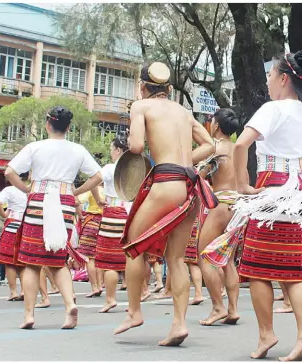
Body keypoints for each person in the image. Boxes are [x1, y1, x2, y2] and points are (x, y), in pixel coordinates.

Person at [114, 62, 217, 347]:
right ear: (168, 89)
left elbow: (135, 147)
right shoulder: (183, 112)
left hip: (166, 181)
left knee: (132, 247)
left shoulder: (141, 106)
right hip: (192, 186)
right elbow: (210, 145)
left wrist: (166, 160)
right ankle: (179, 324)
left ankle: (134, 312)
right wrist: (185, 162)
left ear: (143, 85)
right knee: (177, 258)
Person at [227, 48, 302, 361]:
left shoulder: (273, 108)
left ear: (283, 78)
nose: (267, 81)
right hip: (297, 192)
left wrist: (241, 183)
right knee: (292, 267)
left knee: (256, 267)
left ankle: (267, 333)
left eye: (270, 75)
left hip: (271, 189)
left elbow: (241, 144)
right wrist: (300, 179)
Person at [4, 106, 103, 329]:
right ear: (68, 127)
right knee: (58, 260)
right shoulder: (78, 149)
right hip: (65, 201)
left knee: (31, 262)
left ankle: (29, 315)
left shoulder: (35, 147)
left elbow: (9, 171)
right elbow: (98, 176)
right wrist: (75, 192)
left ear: (48, 124)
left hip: (39, 199)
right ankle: (69, 306)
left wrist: (26, 189)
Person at [197, 108, 241, 326]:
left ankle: (218, 307)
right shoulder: (239, 149)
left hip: (221, 204)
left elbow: (198, 176)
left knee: (205, 255)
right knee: (227, 259)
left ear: (216, 125)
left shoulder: (213, 149)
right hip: (238, 206)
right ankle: (233, 309)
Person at [92, 136, 132, 313]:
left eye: (111, 149)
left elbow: (94, 181)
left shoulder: (110, 168)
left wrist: (98, 199)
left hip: (113, 213)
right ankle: (133, 302)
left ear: (117, 150)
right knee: (130, 260)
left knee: (109, 262)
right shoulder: (135, 168)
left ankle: (110, 299)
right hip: (131, 215)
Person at [0, 174, 29, 300]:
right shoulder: (31, 190)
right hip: (26, 226)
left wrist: (4, 214)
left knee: (9, 261)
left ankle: (13, 292)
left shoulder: (9, 190)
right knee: (23, 262)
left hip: (12, 225)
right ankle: (25, 291)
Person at [77, 185, 105, 298]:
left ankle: (94, 287)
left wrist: (80, 215)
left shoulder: (92, 189)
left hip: (91, 222)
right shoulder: (108, 190)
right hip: (104, 223)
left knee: (90, 258)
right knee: (99, 256)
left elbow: (77, 201)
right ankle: (100, 285)